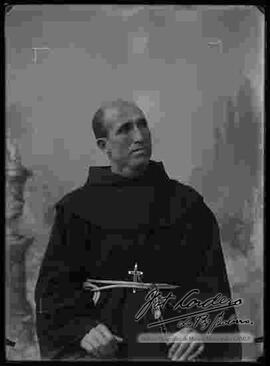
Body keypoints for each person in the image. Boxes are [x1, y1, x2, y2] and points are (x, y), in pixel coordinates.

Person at [35, 99, 242, 361]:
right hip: (104, 348)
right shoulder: (75, 210)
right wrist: (83, 330)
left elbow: (214, 286)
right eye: (125, 129)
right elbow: (54, 294)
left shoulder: (188, 205)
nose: (140, 136)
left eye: (143, 126)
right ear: (104, 145)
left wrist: (198, 328)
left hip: (173, 346)